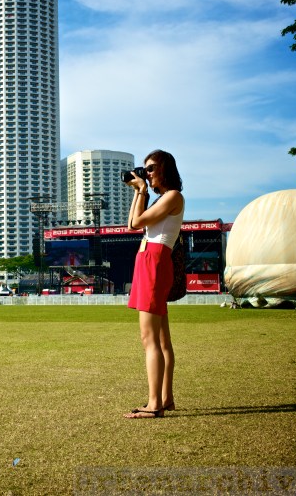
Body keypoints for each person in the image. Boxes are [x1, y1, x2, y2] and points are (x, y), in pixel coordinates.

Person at [123, 149, 184, 419]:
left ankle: (154, 404)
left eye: (151, 168)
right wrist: (140, 192)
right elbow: (131, 225)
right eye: (145, 169)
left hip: (155, 260)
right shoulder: (164, 198)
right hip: (151, 260)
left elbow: (137, 222)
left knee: (149, 339)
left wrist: (142, 192)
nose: (146, 173)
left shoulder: (172, 196)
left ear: (164, 169)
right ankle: (165, 399)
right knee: (161, 340)